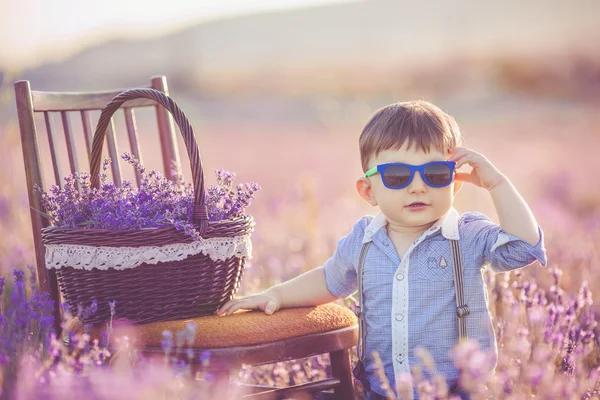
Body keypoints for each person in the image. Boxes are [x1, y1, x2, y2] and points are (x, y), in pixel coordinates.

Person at [214, 100, 547, 399]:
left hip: (457, 392)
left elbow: (524, 248)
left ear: (454, 183)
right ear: (368, 190)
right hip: (379, 392)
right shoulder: (364, 239)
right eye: (398, 175)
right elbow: (330, 280)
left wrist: (496, 183)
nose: (418, 185)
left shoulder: (467, 235)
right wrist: (277, 294)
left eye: (434, 174)